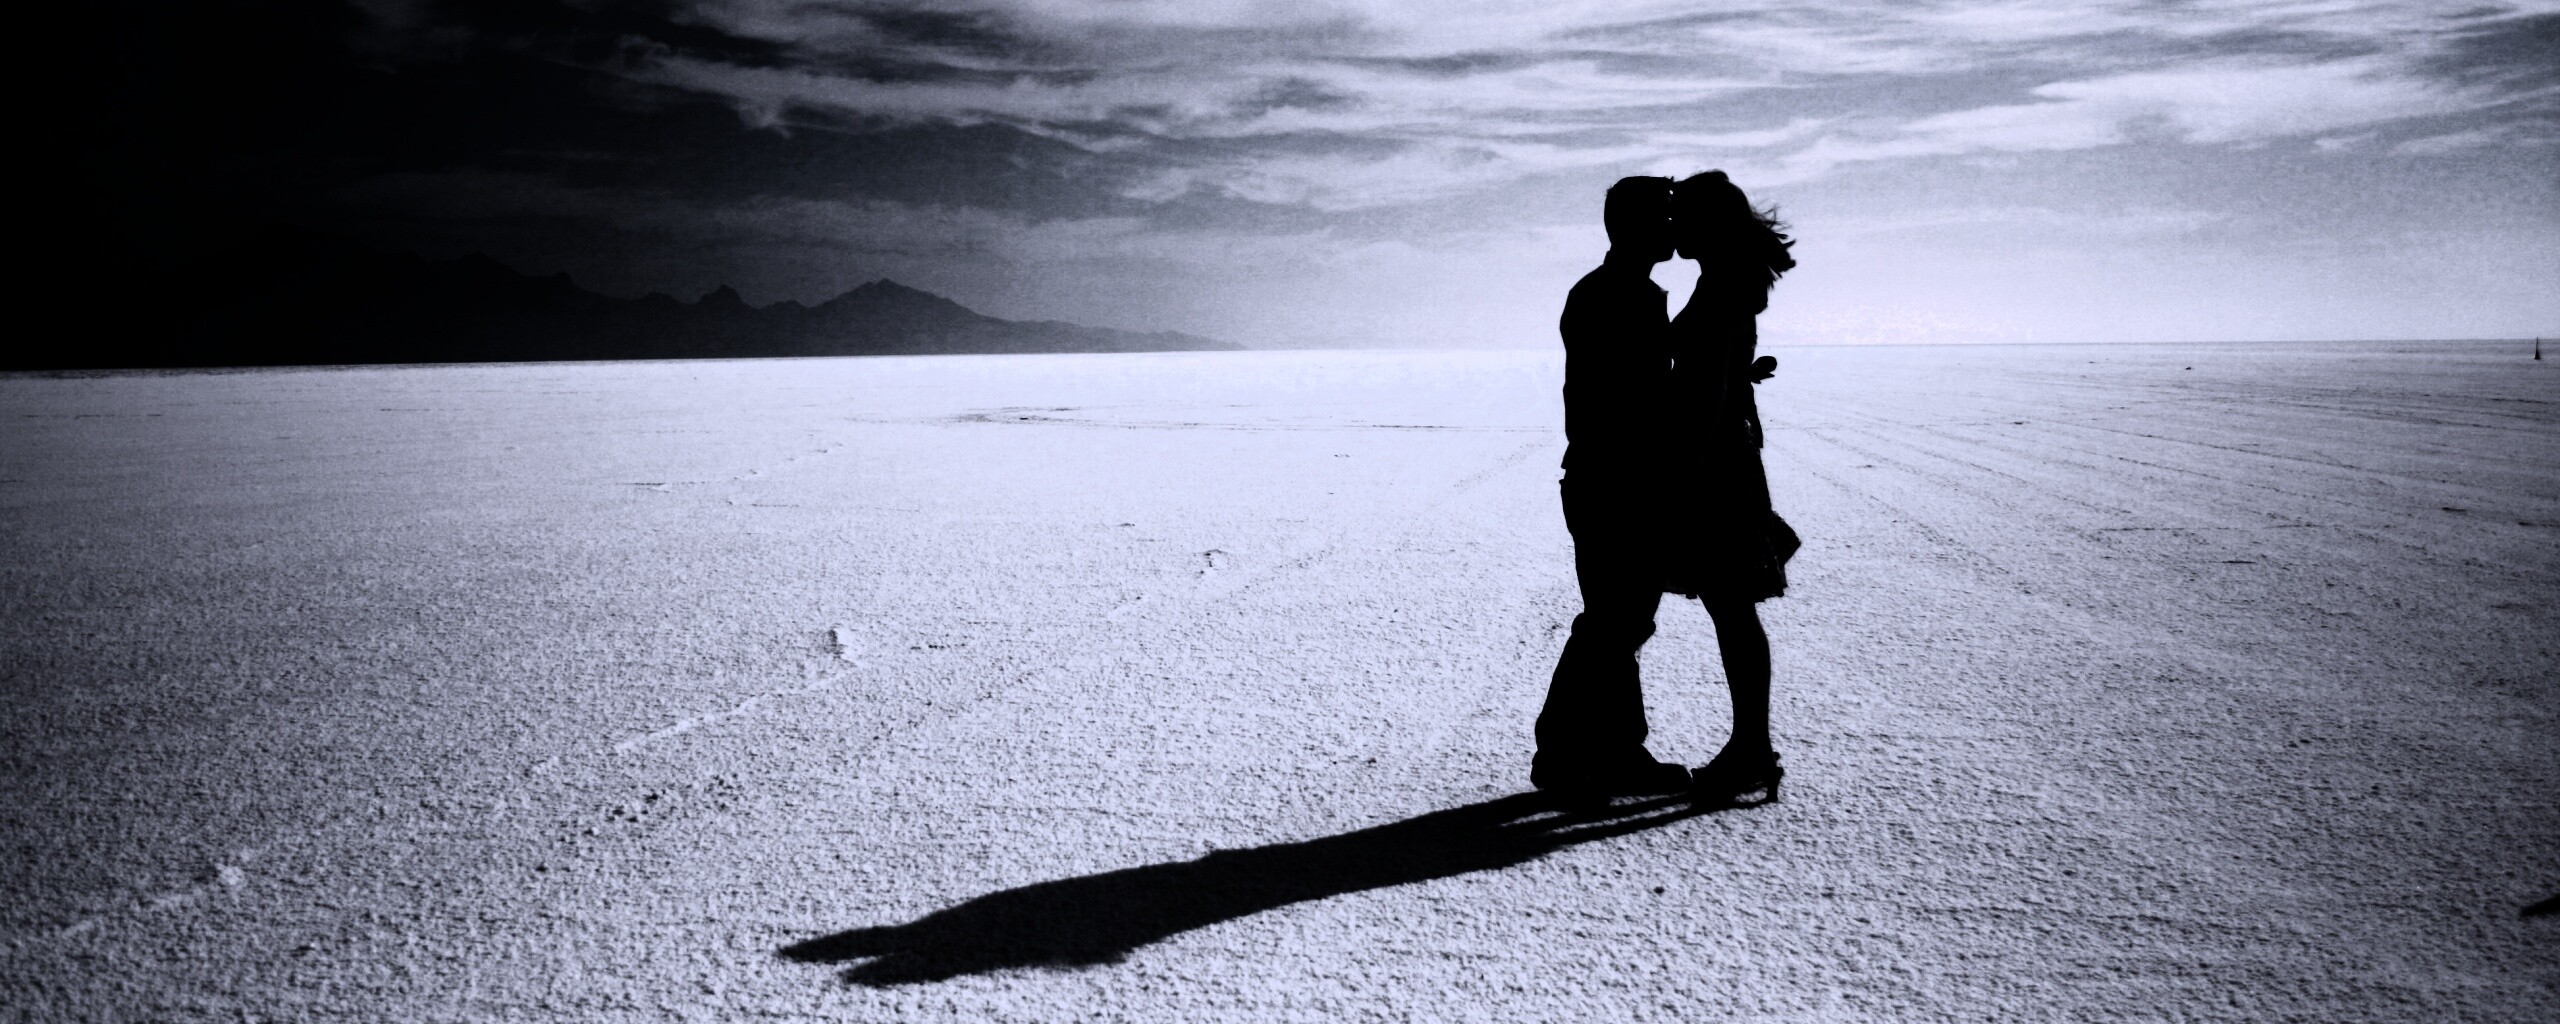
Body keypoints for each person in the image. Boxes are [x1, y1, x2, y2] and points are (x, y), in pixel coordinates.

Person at [1531, 176, 1692, 797]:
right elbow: (1628, 397)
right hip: (1614, 483)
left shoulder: (1622, 292)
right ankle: (1563, 754)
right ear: (1634, 226)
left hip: (1614, 479)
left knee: (1620, 621)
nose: (1673, 228)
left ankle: (1616, 750)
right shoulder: (1613, 295)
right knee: (1613, 622)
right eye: (1665, 217)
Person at [1665, 170, 1797, 804]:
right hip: (1725, 453)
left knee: (1731, 604)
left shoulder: (1720, 285)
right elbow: (1720, 369)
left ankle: (1752, 749)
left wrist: (1683, 473)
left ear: (1708, 224)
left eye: (1681, 216)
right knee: (1731, 604)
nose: (1673, 227)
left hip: (1714, 462)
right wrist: (1745, 372)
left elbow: (1711, 388)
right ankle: (1752, 747)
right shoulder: (1723, 280)